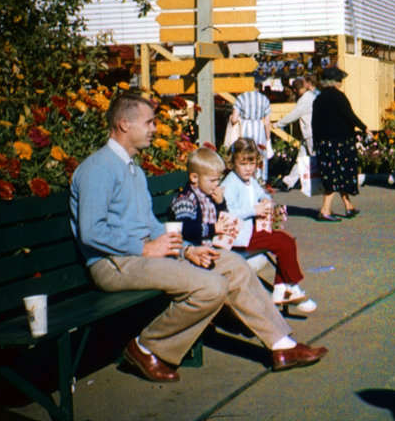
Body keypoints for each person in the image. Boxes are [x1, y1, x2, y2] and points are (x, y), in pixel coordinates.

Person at [69, 93, 327, 382]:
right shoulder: (97, 169)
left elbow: (152, 226)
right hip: (114, 263)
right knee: (211, 286)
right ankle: (146, 347)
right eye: (149, 122)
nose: (154, 128)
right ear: (124, 124)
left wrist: (188, 251)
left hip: (139, 256)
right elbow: (92, 232)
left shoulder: (134, 170)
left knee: (231, 264)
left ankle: (282, 345)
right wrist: (144, 247)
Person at [222, 138, 317, 313]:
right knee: (283, 243)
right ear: (233, 163)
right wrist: (253, 209)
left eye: (252, 163)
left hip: (251, 231)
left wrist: (265, 199)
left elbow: (261, 193)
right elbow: (228, 213)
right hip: (239, 236)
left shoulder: (249, 180)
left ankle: (281, 288)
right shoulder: (230, 183)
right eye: (243, 164)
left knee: (285, 242)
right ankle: (291, 286)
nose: (248, 168)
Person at [311, 66, 371, 221]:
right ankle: (325, 210)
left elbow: (314, 123)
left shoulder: (318, 99)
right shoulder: (338, 97)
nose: (341, 84)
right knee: (336, 175)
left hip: (324, 143)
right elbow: (349, 115)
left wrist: (316, 143)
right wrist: (365, 128)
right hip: (340, 142)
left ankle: (349, 206)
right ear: (334, 82)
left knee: (337, 174)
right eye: (339, 80)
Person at [273, 75, 319, 192]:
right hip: (309, 133)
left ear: (295, 90)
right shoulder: (310, 96)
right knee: (301, 158)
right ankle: (288, 182)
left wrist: (278, 124)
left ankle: (322, 182)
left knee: (314, 158)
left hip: (310, 133)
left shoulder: (304, 100)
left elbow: (294, 115)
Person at [228, 86, 272, 182]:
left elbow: (234, 119)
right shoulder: (264, 99)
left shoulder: (241, 98)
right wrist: (268, 138)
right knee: (260, 153)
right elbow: (267, 122)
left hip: (245, 129)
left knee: (245, 152)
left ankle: (245, 177)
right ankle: (261, 179)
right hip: (259, 130)